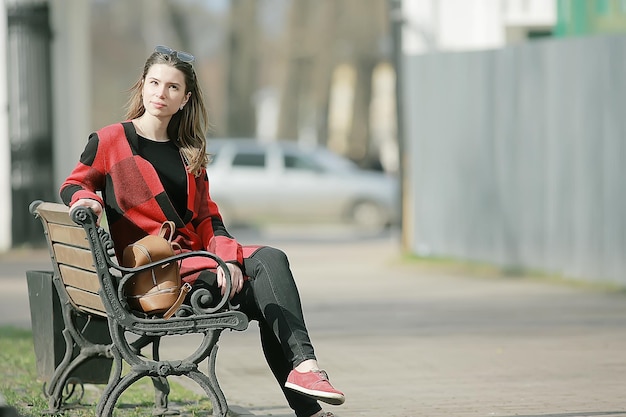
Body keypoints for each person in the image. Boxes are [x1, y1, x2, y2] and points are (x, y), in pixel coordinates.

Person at [60, 45, 344, 417]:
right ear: (142, 86)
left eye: (172, 87)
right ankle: (308, 386)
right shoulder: (111, 140)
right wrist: (85, 200)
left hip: (200, 265)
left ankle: (306, 373)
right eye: (155, 83)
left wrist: (227, 261)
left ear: (185, 98)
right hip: (156, 278)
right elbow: (73, 184)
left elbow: (210, 218)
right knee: (266, 288)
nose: (161, 93)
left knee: (270, 266)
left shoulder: (188, 149)